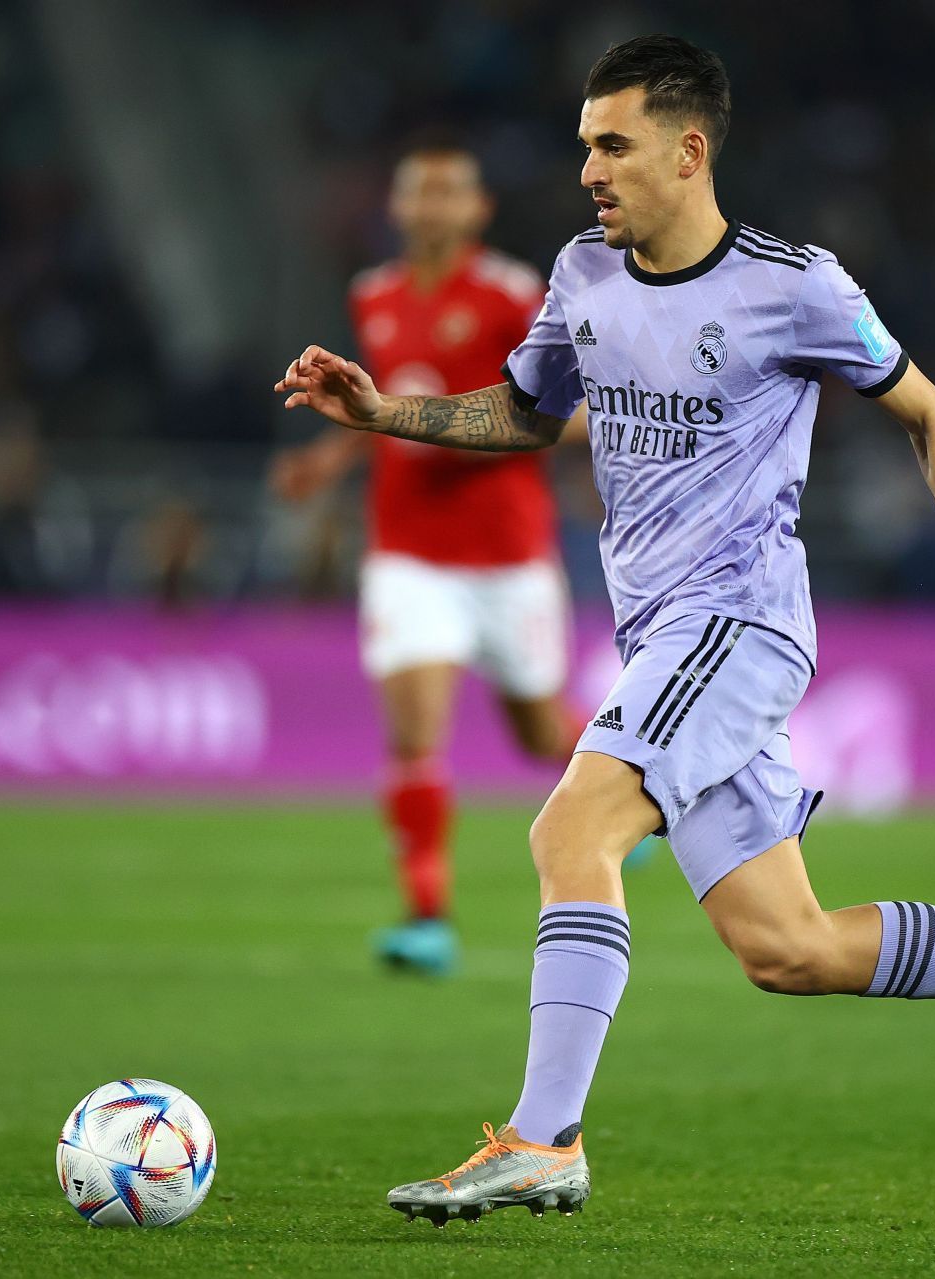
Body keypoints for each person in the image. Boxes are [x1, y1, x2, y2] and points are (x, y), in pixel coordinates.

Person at [276, 35, 935, 1223]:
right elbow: (527, 415)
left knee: (571, 830)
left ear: (688, 153)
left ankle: (545, 1138)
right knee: (789, 948)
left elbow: (931, 412)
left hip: (739, 624)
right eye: (585, 145)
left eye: (613, 145)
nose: (589, 169)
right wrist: (386, 415)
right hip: (661, 639)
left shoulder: (796, 287)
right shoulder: (583, 274)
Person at [273, 137, 578, 976]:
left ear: (478, 209)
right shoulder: (372, 295)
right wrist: (328, 460)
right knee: (415, 738)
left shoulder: (516, 295)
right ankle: (427, 918)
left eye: (451, 193)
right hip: (408, 551)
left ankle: (630, 800)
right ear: (398, 208)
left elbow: (571, 408)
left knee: (540, 732)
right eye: (420, 193)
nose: (434, 206)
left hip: (508, 551)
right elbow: (381, 411)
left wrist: (496, 433)